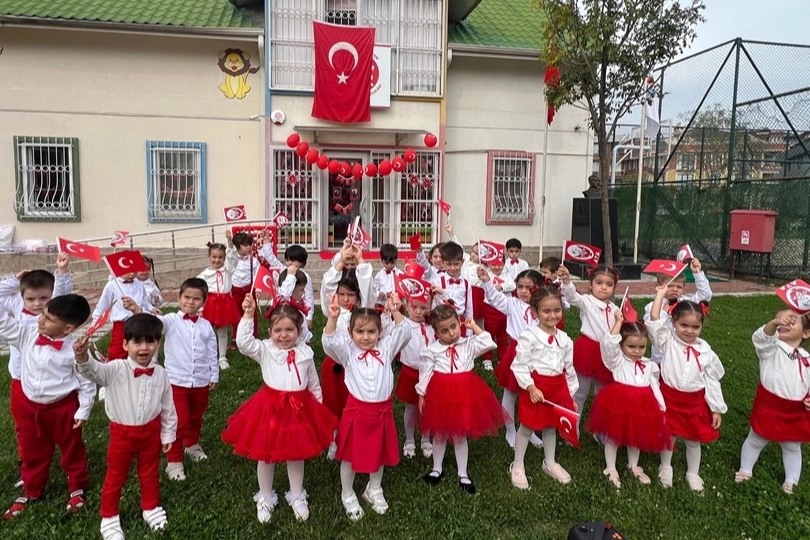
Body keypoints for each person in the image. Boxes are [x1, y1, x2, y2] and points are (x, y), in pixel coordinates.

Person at [222, 298, 337, 523]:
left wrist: (319, 411)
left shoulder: (305, 353)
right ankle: (265, 496)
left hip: (299, 410)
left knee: (296, 454)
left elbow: (313, 384)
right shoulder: (266, 350)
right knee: (266, 455)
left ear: (299, 331)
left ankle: (297, 495)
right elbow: (244, 343)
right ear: (270, 332)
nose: (283, 335)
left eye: (289, 330)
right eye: (278, 330)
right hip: (270, 410)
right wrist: (248, 315)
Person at [73, 314, 177, 540]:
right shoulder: (115, 368)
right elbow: (94, 372)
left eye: (150, 341)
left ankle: (150, 506)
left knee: (149, 472)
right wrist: (83, 357)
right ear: (125, 344)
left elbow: (168, 405)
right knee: (116, 475)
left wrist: (168, 433)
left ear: (158, 343)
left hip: (151, 432)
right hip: (122, 435)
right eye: (137, 342)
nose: (144, 348)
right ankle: (109, 516)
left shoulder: (161, 373)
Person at [0, 294, 95, 519]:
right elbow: (3, 322)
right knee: (32, 450)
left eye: (49, 318)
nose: (40, 320)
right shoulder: (27, 334)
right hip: (30, 407)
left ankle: (77, 486)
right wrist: (12, 283)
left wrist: (83, 409)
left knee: (71, 448)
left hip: (63, 408)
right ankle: (33, 490)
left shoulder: (76, 349)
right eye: (43, 314)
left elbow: (86, 381)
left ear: (68, 328)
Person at [322, 292, 410, 521]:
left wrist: (395, 311)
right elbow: (329, 343)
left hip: (382, 413)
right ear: (350, 333)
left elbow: (405, 332)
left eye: (371, 331)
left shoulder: (386, 349)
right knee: (349, 456)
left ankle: (374, 488)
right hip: (357, 412)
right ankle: (347, 492)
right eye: (359, 332)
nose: (366, 337)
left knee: (379, 453)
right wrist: (332, 318)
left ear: (380, 332)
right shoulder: (348, 353)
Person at [125, 278, 218, 482]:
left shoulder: (206, 326)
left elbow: (212, 350)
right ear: (179, 298)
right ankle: (174, 460)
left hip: (200, 381)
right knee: (178, 420)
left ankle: (192, 444)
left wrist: (214, 374)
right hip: (176, 382)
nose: (190, 302)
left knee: (196, 416)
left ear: (204, 301)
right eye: (187, 297)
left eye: (196, 299)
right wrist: (137, 309)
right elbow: (153, 322)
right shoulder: (171, 321)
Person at [0, 255, 72, 488]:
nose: (37, 303)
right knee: (24, 426)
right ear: (22, 298)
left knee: (60, 428)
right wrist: (15, 280)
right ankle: (27, 462)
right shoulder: (15, 305)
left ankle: (71, 467)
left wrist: (62, 272)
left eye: (44, 298)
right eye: (31, 299)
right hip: (21, 379)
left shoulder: (53, 312)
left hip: (50, 381)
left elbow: (64, 296)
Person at [417, 305, 505, 494]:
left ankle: (463, 473)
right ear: (436, 333)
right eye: (444, 331)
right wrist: (421, 394)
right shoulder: (432, 350)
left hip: (464, 394)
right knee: (439, 433)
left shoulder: (468, 344)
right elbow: (425, 372)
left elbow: (489, 343)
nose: (451, 333)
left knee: (460, 435)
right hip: (440, 395)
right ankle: (436, 468)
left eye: (453, 326)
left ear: (459, 323)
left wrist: (475, 327)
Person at [648, 286, 726, 492]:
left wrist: (716, 408)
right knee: (669, 435)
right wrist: (660, 295)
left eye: (695, 327)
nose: (689, 331)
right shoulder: (668, 341)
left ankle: (693, 472)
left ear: (701, 327)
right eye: (683, 325)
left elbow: (712, 380)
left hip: (694, 402)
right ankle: (665, 467)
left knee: (693, 439)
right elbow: (654, 320)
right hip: (670, 398)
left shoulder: (706, 352)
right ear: (673, 322)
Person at [587, 310, 671, 489]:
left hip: (641, 405)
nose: (637, 351)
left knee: (636, 435)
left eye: (641, 347)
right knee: (613, 436)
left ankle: (633, 465)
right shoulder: (617, 360)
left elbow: (654, 385)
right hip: (619, 402)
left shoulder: (649, 365)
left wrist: (661, 408)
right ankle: (611, 467)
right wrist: (618, 322)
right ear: (622, 345)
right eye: (631, 346)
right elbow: (608, 345)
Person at [509, 285, 578, 488]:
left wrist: (570, 395)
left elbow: (569, 368)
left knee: (551, 426)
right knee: (527, 426)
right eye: (546, 311)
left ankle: (550, 462)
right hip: (536, 388)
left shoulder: (565, 340)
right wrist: (530, 387)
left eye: (557, 310)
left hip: (557, 388)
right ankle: (518, 464)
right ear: (535, 312)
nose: (552, 315)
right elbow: (520, 365)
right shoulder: (529, 336)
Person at [736, 310, 810, 495]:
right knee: (756, 438)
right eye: (781, 319)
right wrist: (774, 323)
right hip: (770, 404)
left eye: (791, 321)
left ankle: (791, 479)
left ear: (806, 333)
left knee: (792, 445)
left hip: (795, 409)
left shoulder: (806, 358)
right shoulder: (771, 348)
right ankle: (745, 469)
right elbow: (762, 338)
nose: (784, 322)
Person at [477, 267, 546, 449]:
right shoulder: (513, 304)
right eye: (520, 286)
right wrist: (487, 281)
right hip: (517, 352)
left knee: (532, 393)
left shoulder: (544, 307)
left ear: (538, 287)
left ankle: (529, 430)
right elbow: (495, 298)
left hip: (538, 354)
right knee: (511, 392)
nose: (523, 291)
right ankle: (510, 430)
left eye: (528, 287)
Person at [558, 264, 619, 429]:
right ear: (590, 285)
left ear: (614, 288)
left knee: (602, 394)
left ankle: (599, 428)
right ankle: (572, 428)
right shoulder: (586, 301)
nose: (604, 287)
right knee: (580, 392)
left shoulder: (615, 309)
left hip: (606, 353)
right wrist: (567, 280)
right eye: (599, 283)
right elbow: (572, 297)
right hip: (587, 350)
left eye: (609, 284)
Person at [642, 258, 713, 363]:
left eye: (679, 287)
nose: (675, 289)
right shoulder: (652, 306)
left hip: (682, 357)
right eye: (670, 286)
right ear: (658, 287)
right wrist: (664, 309)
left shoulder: (685, 302)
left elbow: (705, 295)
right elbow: (653, 326)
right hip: (661, 358)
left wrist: (697, 273)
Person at [396, 295, 435, 459]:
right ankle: (410, 439)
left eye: (423, 308)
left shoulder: (433, 325)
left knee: (427, 408)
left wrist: (440, 294)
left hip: (430, 374)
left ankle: (426, 438)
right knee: (411, 408)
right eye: (414, 307)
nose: (418, 312)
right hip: (410, 372)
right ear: (406, 305)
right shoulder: (403, 324)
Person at [92, 269, 154, 365]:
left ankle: (136, 368)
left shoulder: (139, 285)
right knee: (118, 350)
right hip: (121, 325)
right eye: (128, 271)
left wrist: (151, 308)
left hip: (138, 322)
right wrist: (94, 323)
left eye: (134, 271)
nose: (132, 274)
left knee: (138, 348)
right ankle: (115, 367)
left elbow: (144, 301)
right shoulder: (112, 285)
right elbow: (102, 306)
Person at [198, 242, 242, 370]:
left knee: (222, 331)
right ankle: (208, 354)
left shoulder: (228, 270)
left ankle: (222, 357)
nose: (217, 260)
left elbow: (233, 259)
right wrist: (200, 308)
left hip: (224, 304)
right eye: (214, 257)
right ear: (209, 257)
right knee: (207, 331)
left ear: (224, 258)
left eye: (220, 257)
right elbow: (199, 291)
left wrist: (230, 244)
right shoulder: (204, 275)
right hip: (209, 305)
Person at [429, 242, 473, 334]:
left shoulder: (466, 284)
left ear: (462, 262)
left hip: (460, 323)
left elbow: (469, 310)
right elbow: (434, 306)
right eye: (448, 264)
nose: (452, 268)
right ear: (443, 263)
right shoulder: (437, 282)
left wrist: (469, 332)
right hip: (442, 323)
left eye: (456, 264)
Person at [480, 257, 514, 371]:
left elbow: (513, 285)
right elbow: (480, 284)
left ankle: (502, 356)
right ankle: (487, 358)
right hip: (490, 308)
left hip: (505, 309)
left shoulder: (507, 274)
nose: (496, 267)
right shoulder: (486, 274)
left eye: (499, 264)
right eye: (493, 264)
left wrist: (501, 286)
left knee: (503, 335)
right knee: (489, 333)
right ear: (489, 264)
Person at [226, 230, 261, 339]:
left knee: (251, 312)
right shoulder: (232, 259)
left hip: (249, 290)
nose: (249, 247)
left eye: (250, 244)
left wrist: (258, 289)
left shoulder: (253, 261)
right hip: (235, 290)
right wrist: (229, 240)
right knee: (236, 313)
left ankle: (252, 334)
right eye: (245, 245)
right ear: (237, 247)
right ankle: (236, 336)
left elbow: (257, 275)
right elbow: (229, 251)